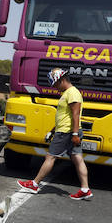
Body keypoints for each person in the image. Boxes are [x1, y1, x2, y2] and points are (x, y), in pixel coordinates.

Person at [18, 68, 92, 200]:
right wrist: (52, 131)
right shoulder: (68, 93)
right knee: (78, 159)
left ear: (62, 80)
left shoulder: (72, 93)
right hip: (67, 130)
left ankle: (34, 184)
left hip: (66, 132)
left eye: (56, 84)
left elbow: (75, 114)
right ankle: (85, 189)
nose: (55, 87)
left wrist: (74, 133)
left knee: (50, 157)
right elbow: (64, 116)